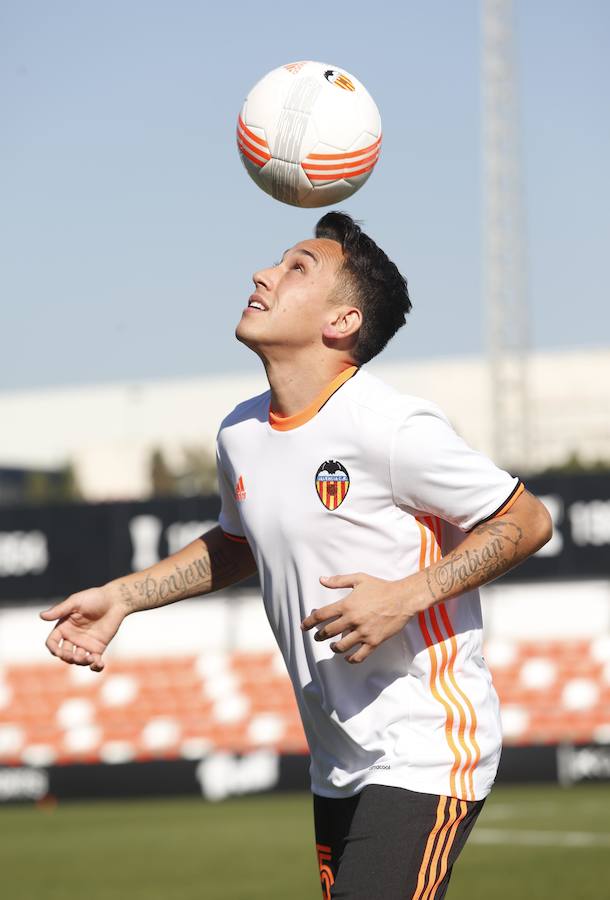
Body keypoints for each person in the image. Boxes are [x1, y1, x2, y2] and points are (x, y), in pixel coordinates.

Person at [41, 212, 552, 900]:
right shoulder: (239, 433)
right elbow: (240, 542)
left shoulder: (392, 427)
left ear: (341, 321)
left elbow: (526, 519)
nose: (264, 274)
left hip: (430, 747)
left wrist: (406, 595)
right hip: (336, 761)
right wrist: (126, 596)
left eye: (297, 268)